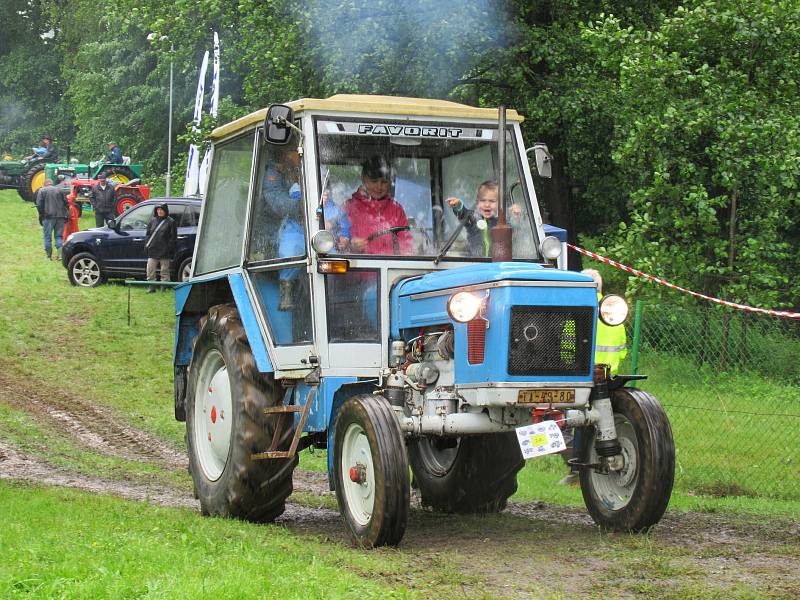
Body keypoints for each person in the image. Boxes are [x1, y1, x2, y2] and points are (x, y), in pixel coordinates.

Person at [560, 268, 628, 485]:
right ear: (600, 287)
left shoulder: (577, 311)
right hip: (608, 376)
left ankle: (576, 470)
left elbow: (566, 347)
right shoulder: (613, 313)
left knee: (581, 421)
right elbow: (623, 349)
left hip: (583, 375)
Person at [344, 156, 412, 255]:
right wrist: (350, 245)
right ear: (363, 178)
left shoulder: (396, 209)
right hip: (358, 267)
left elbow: (406, 243)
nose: (379, 187)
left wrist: (407, 252)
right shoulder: (348, 207)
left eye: (384, 182)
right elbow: (335, 242)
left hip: (391, 267)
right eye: (374, 181)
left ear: (390, 182)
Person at [446, 180, 522, 257]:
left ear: (500, 204)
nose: (487, 204)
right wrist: (458, 206)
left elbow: (514, 230)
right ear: (477, 202)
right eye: (482, 200)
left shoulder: (502, 222)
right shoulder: (474, 218)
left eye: (492, 201)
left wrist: (515, 217)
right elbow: (464, 215)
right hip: (473, 262)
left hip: (495, 263)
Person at [144, 204, 177, 293]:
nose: (160, 211)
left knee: (164, 271)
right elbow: (148, 234)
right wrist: (147, 245)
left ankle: (164, 287)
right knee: (150, 269)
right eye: (158, 209)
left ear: (165, 211)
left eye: (162, 209)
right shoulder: (152, 221)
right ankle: (151, 287)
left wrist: (168, 248)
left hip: (165, 251)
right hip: (153, 249)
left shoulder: (171, 222)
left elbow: (173, 238)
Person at [34, 179, 69, 260]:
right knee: (59, 236)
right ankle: (60, 255)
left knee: (47, 237)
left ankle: (48, 256)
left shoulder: (42, 190)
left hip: (48, 217)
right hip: (60, 217)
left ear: (45, 184)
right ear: (52, 184)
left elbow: (39, 204)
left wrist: (41, 215)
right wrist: (65, 215)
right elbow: (66, 203)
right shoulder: (59, 190)